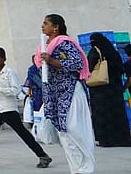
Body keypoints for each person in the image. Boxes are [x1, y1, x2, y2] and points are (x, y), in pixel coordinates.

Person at [36, 14, 95, 174]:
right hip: (54, 93)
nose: (42, 26)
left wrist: (52, 61)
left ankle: (86, 167)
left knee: (74, 127)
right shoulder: (44, 46)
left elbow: (77, 63)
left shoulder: (64, 43)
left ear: (56, 27)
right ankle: (76, 169)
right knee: (64, 132)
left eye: (46, 23)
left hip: (70, 89)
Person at [0, 47, 52, 169]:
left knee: (22, 133)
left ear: (3, 58)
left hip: (8, 108)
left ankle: (42, 155)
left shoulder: (10, 72)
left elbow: (16, 90)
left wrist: (0, 89)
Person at [87, 32, 131, 147]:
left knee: (102, 115)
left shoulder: (95, 51)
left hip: (100, 89)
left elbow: (89, 67)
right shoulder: (113, 52)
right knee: (117, 114)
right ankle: (122, 139)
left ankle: (106, 139)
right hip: (115, 89)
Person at [24, 54, 43, 126]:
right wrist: (29, 90)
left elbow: (29, 81)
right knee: (38, 107)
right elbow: (30, 80)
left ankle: (37, 123)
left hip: (38, 92)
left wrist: (29, 90)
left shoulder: (33, 69)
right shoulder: (33, 69)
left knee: (38, 108)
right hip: (39, 91)